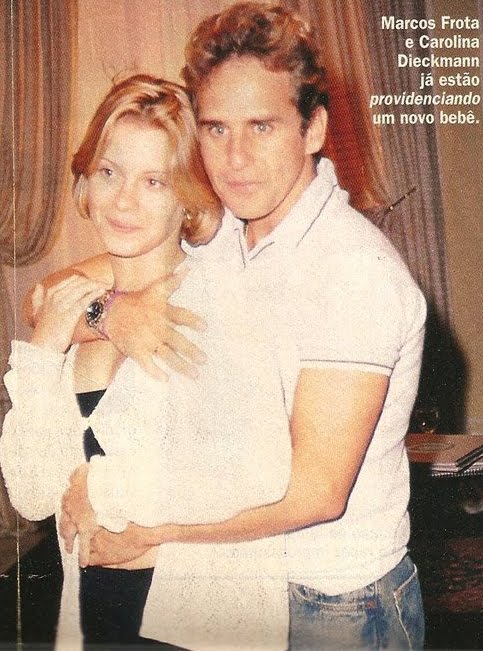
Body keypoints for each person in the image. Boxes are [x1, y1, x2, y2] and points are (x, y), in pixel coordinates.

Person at [30, 2, 427, 649]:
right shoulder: (227, 235)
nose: (236, 158)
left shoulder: (352, 273)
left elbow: (313, 495)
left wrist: (150, 533)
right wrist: (112, 312)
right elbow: (46, 297)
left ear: (313, 128)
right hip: (236, 584)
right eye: (216, 129)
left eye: (261, 126)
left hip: (331, 604)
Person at [0, 74, 295, 650]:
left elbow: (262, 472)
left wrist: (103, 490)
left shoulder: (216, 305)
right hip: (90, 621)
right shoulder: (75, 311)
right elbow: (32, 493)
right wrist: (44, 348)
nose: (124, 200)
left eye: (154, 181)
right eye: (109, 173)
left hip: (195, 623)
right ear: (86, 181)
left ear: (187, 198)